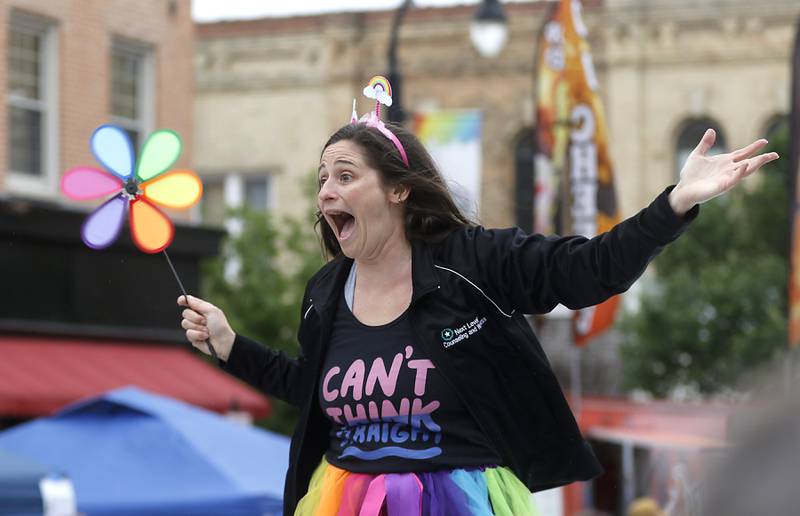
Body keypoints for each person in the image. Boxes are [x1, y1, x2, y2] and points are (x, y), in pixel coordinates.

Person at [178, 78, 778, 516]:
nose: (325, 194)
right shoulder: (324, 293)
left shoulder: (474, 262)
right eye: (321, 181)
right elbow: (311, 390)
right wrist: (233, 347)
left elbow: (589, 271)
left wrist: (675, 202)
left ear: (398, 192)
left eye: (344, 176)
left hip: (458, 500)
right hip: (347, 499)